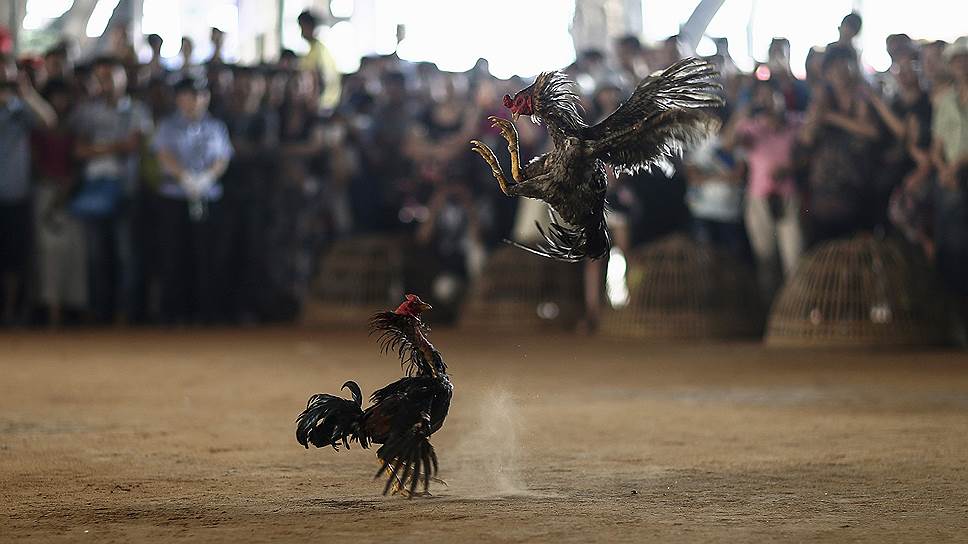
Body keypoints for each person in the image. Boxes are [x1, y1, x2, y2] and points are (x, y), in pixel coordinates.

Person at [70, 56, 153, 324]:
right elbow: (78, 150)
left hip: (127, 192)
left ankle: (129, 315)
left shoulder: (138, 111)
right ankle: (101, 314)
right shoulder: (85, 112)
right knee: (97, 256)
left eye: (110, 76)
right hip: (94, 192)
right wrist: (115, 146)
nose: (104, 83)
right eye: (99, 78)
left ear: (123, 78)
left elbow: (134, 146)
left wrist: (98, 148)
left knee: (127, 254)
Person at [152, 78, 233, 324]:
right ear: (179, 98)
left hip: (208, 197)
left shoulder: (215, 127)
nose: (196, 100)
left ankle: (207, 311)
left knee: (207, 255)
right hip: (175, 197)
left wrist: (206, 178)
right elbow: (163, 154)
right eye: (190, 95)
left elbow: (222, 158)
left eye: (200, 95)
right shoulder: (167, 126)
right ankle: (175, 312)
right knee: (175, 255)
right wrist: (184, 177)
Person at [721, 79, 805, 298]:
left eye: (771, 95)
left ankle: (794, 309)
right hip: (759, 200)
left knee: (794, 257)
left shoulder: (796, 123)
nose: (766, 101)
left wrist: (791, 167)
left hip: (789, 198)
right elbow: (727, 145)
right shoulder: (752, 128)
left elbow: (808, 154)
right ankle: (770, 313)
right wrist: (742, 112)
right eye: (761, 96)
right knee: (765, 260)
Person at [800, 46, 880, 243]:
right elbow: (806, 138)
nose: (840, 72)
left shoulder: (862, 96)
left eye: (844, 65)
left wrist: (832, 117)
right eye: (834, 68)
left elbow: (871, 131)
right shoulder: (822, 99)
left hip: (856, 185)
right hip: (825, 185)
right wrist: (818, 112)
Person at [0, 60, 56, 325]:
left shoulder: (21, 110)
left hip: (15, 195)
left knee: (13, 258)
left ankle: (10, 311)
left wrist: (27, 92)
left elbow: (49, 121)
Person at [32, 79, 88, 326]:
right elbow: (34, 164)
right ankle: (51, 309)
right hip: (45, 193)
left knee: (75, 251)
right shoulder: (36, 130)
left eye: (63, 96)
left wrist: (68, 185)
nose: (59, 102)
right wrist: (55, 187)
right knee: (48, 251)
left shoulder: (75, 128)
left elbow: (78, 162)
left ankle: (73, 309)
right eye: (55, 97)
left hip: (72, 194)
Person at [931, 37, 968, 315]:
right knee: (949, 245)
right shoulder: (945, 101)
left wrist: (954, 167)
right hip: (950, 178)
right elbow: (937, 145)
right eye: (957, 60)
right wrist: (945, 169)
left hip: (960, 175)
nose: (962, 65)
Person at [297, 10, 340, 111]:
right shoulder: (313, 50)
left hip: (324, 103)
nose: (301, 31)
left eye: (302, 27)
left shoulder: (319, 51)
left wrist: (315, 100)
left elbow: (323, 77)